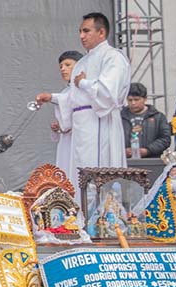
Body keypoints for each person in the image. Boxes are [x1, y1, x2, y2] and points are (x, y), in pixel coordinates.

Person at [35, 13, 130, 186]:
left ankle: (100, 211)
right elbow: (72, 98)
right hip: (81, 126)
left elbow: (108, 93)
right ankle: (78, 211)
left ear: (101, 32)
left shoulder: (112, 57)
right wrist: (52, 98)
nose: (81, 36)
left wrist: (84, 83)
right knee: (78, 171)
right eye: (80, 31)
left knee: (96, 170)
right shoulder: (82, 62)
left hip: (99, 120)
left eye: (86, 31)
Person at [50, 50, 83, 178]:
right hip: (66, 141)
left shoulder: (84, 88)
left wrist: (51, 97)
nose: (63, 69)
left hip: (80, 140)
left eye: (68, 65)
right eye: (61, 67)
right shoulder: (65, 91)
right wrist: (58, 127)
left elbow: (69, 100)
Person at [121, 82, 171, 158]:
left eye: (136, 99)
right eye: (130, 100)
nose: (133, 103)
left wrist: (148, 150)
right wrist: (122, 150)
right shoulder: (120, 117)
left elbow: (165, 139)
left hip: (151, 161)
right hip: (125, 162)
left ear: (145, 99)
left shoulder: (158, 117)